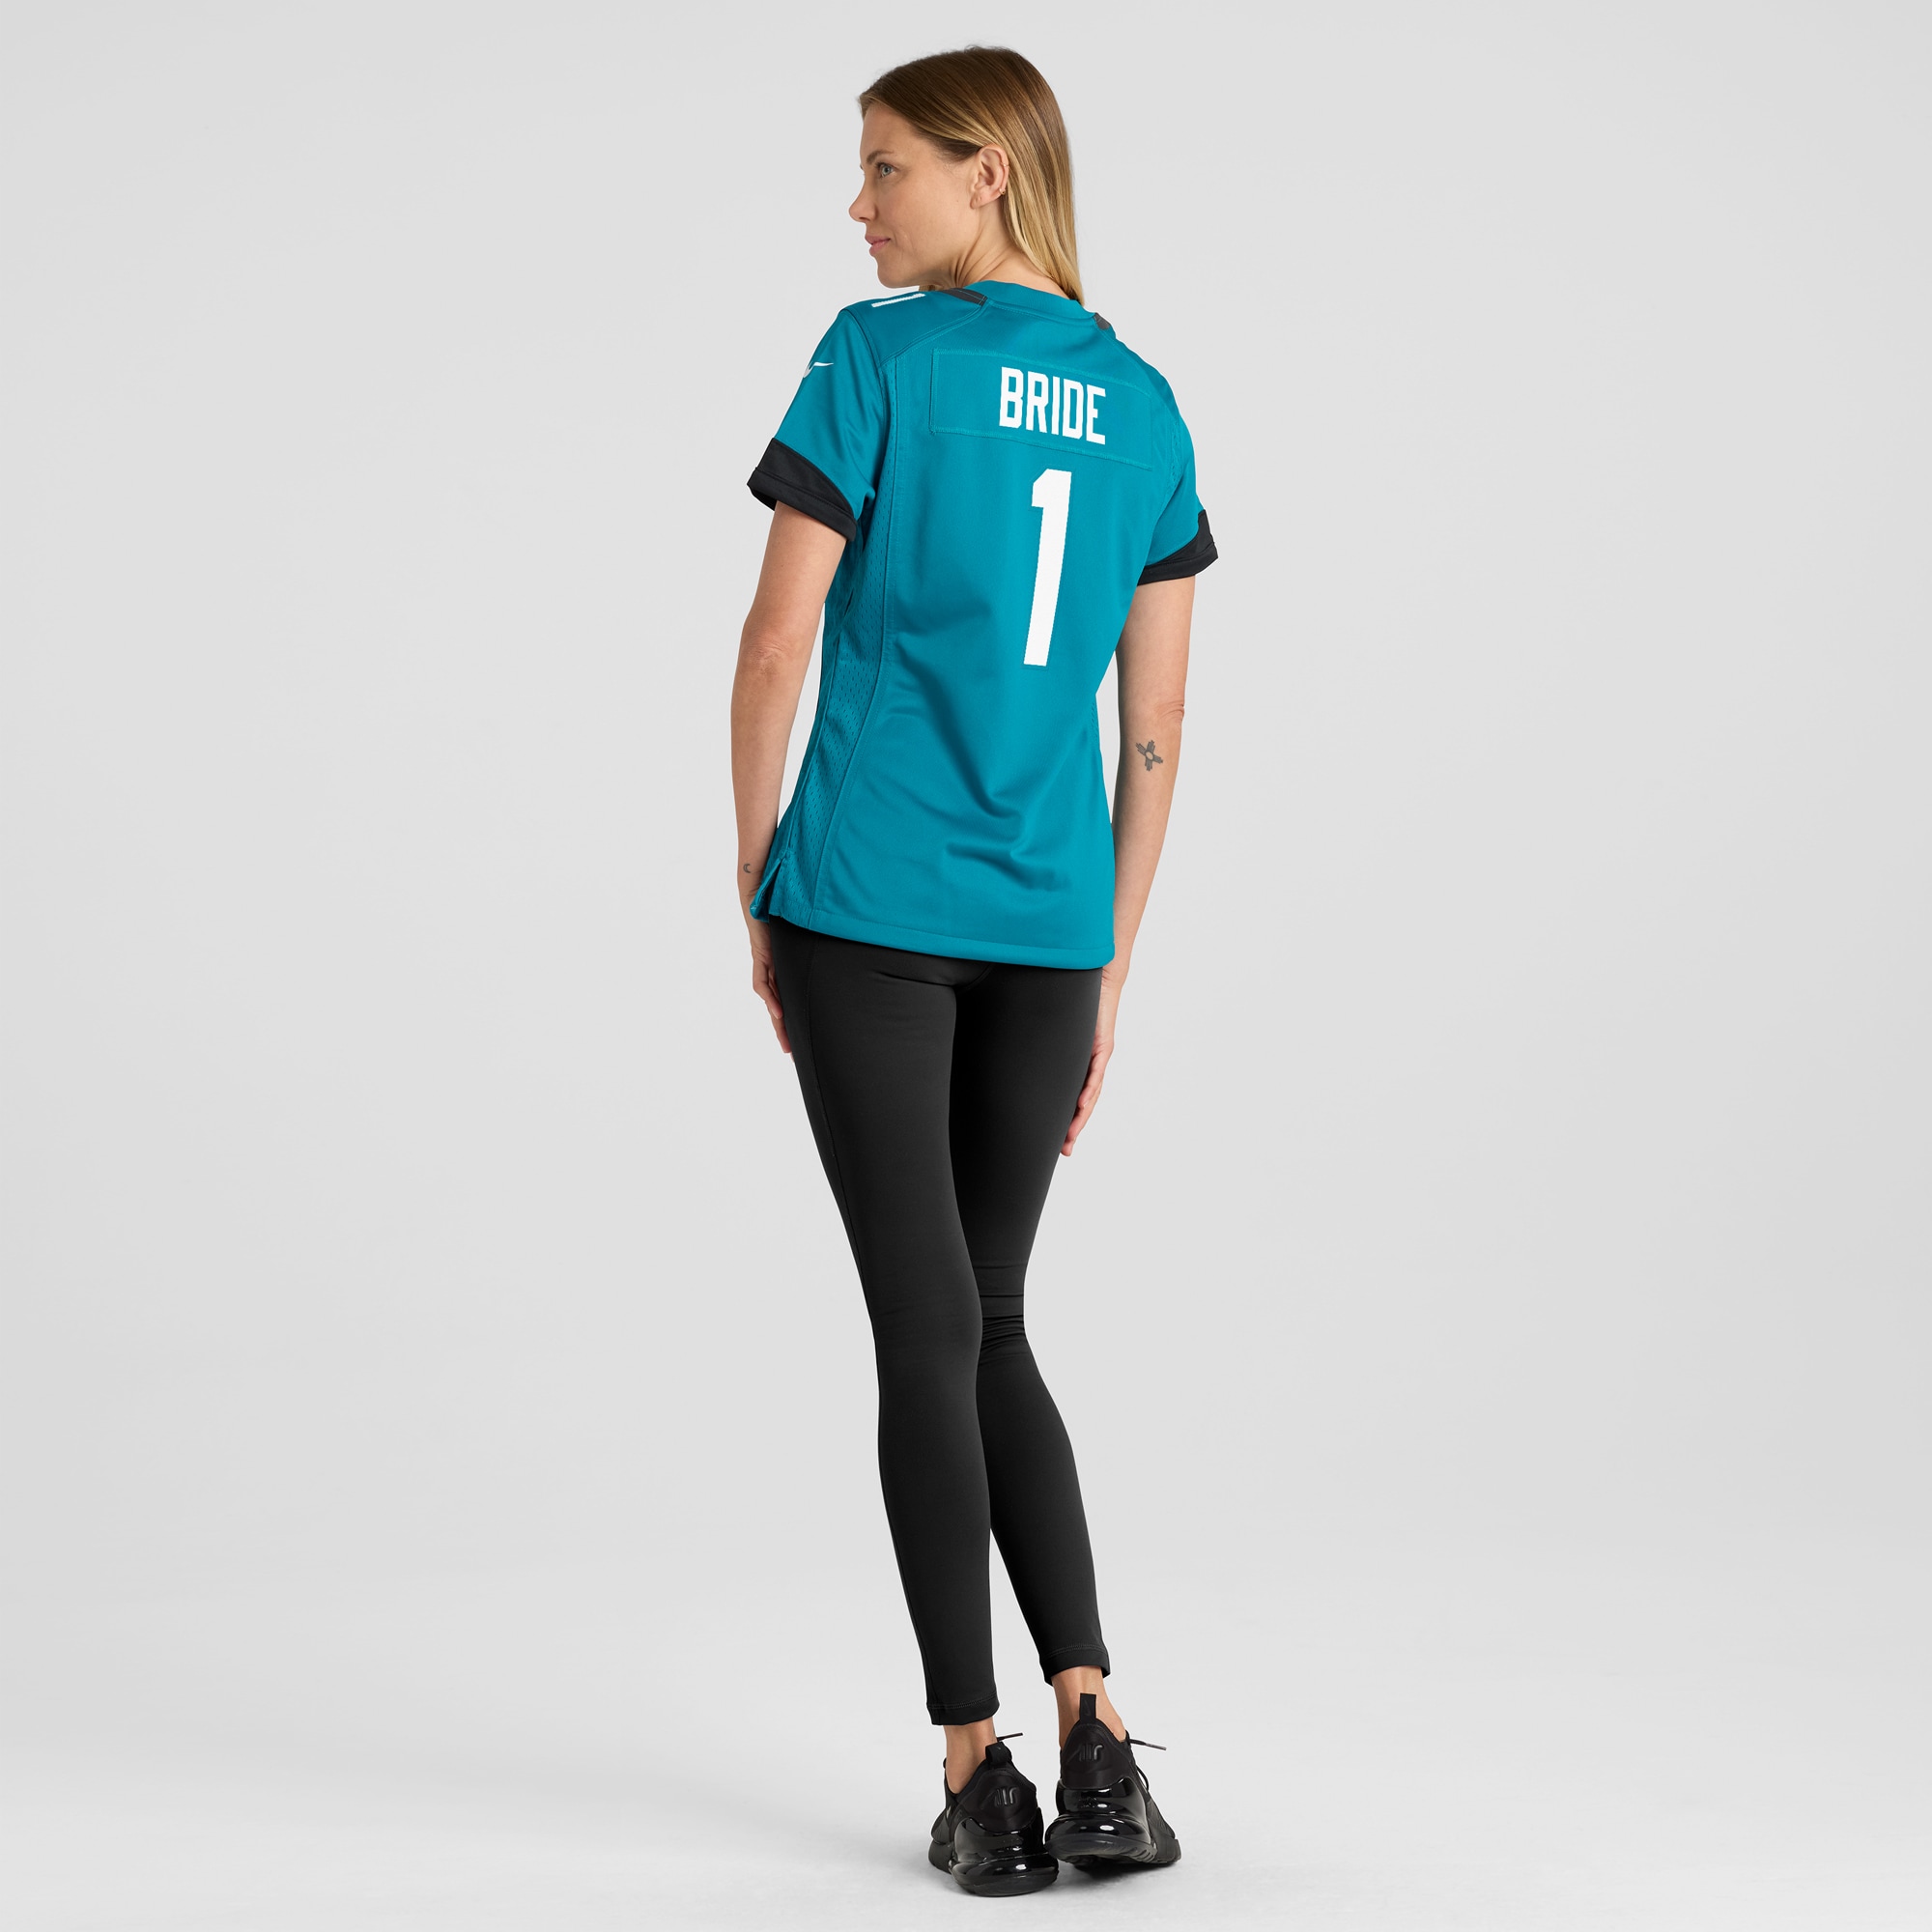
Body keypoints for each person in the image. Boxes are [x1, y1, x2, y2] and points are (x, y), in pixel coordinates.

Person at [729, 45, 1215, 1895]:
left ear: (988, 171)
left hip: (868, 903)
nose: (859, 205)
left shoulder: (877, 364)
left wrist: (756, 875)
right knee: (992, 1316)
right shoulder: (1146, 407)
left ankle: (974, 1768)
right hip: (1052, 928)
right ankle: (1100, 1737)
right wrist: (1112, 964)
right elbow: (1154, 729)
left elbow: (777, 642)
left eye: (886, 168)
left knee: (927, 1330)